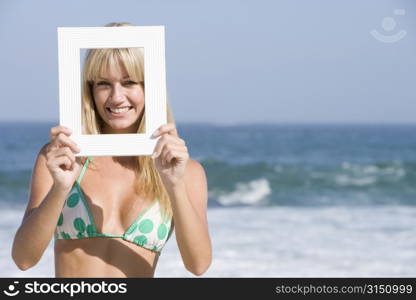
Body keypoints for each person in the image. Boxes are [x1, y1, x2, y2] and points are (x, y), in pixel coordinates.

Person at [11, 22, 212, 277]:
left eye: (129, 82)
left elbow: (199, 265)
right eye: (104, 84)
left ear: (149, 87)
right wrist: (60, 188)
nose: (117, 97)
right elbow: (23, 259)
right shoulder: (62, 158)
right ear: (90, 90)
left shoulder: (186, 172)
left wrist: (173, 185)